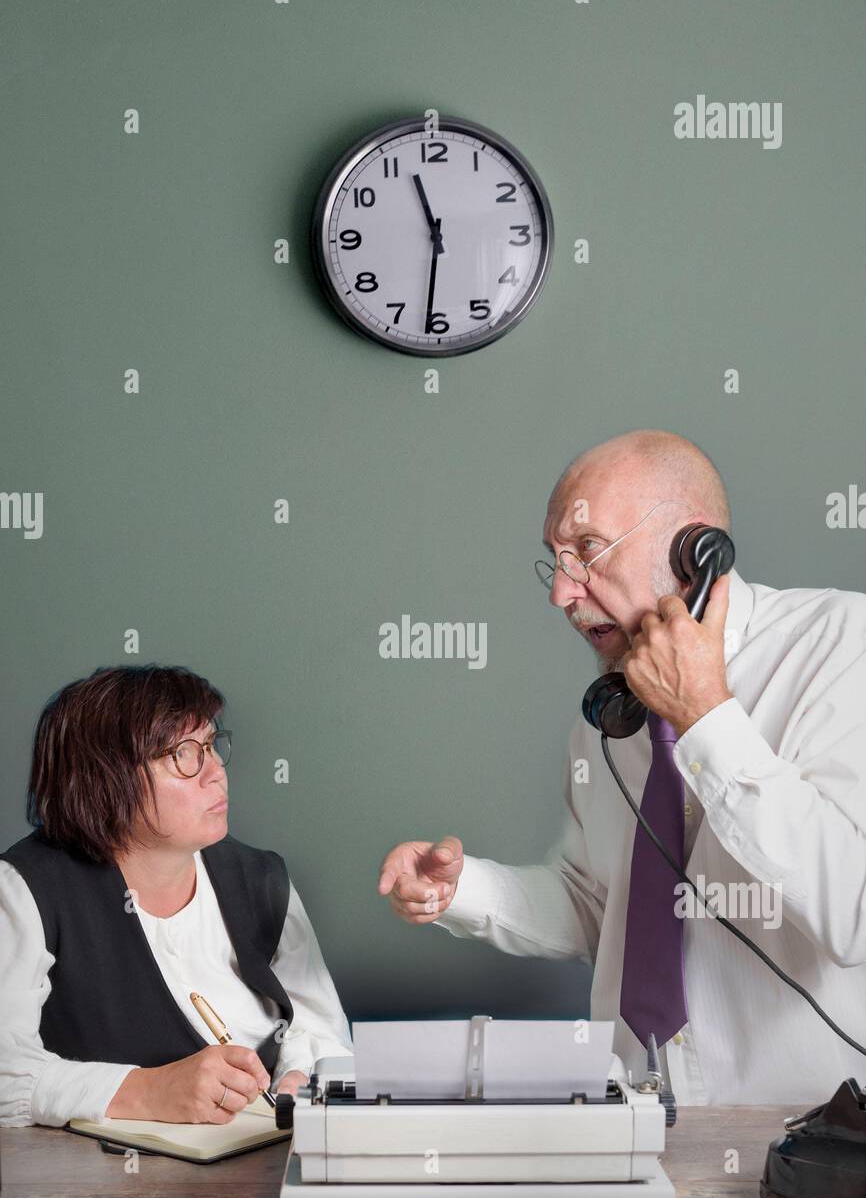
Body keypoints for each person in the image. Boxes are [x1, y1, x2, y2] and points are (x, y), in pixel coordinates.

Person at [378, 428, 866, 1106]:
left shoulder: (844, 646)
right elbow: (600, 908)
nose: (563, 596)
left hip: (814, 1142)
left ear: (696, 550)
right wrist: (462, 891)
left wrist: (704, 715)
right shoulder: (611, 718)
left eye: (587, 550)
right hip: (637, 1121)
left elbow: (854, 913)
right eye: (555, 562)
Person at [0, 664, 353, 1127]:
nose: (215, 772)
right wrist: (147, 1092)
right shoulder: (25, 888)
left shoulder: (262, 877)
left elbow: (321, 1028)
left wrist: (298, 1075)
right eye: (182, 754)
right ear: (104, 779)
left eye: (210, 746)